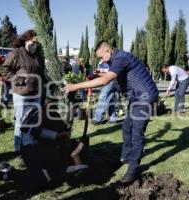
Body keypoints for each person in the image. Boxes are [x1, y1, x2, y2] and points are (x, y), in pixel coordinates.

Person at [63, 41, 158, 184]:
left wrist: (75, 86)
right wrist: (96, 75)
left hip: (144, 97)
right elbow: (109, 73)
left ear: (108, 51)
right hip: (136, 97)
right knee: (127, 127)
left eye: (102, 57)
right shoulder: (116, 58)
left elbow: (106, 80)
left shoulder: (121, 58)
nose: (101, 61)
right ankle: (125, 157)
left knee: (137, 134)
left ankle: (133, 170)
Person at [0, 30, 47, 152]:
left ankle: (30, 143)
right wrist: (18, 79)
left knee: (34, 120)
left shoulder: (38, 56)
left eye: (37, 44)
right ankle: (18, 147)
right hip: (21, 93)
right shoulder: (16, 53)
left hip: (36, 92)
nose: (36, 45)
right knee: (20, 120)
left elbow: (41, 73)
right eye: (33, 42)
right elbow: (4, 69)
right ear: (26, 40)